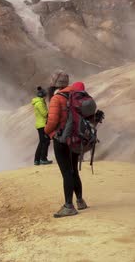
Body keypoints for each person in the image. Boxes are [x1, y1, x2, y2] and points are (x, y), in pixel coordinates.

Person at [45, 81, 89, 218]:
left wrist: (46, 132)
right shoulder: (77, 96)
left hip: (62, 139)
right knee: (74, 170)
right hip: (76, 139)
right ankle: (80, 201)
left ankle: (69, 206)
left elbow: (52, 121)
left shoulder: (57, 98)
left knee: (66, 172)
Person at [32, 87, 53, 165]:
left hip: (40, 124)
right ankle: (43, 159)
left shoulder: (39, 102)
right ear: (42, 95)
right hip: (42, 124)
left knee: (42, 142)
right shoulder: (40, 103)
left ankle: (37, 160)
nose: (46, 97)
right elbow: (45, 114)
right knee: (45, 141)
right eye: (45, 96)